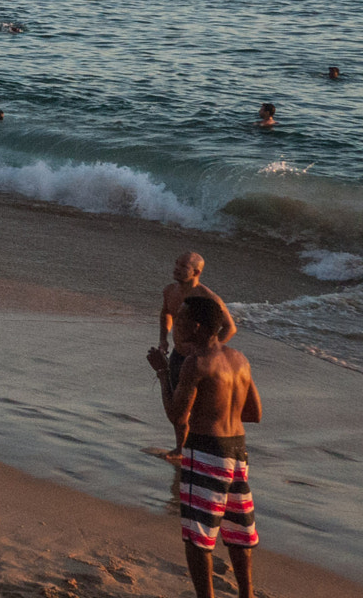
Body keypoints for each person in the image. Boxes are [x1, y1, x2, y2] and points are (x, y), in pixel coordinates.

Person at [150, 294, 260, 598]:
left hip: (207, 451)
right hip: (238, 451)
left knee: (198, 536)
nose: (176, 323)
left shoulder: (195, 364)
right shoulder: (239, 359)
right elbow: (254, 413)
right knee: (238, 530)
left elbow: (176, 415)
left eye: (181, 318)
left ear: (197, 327)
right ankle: (247, 594)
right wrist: (221, 409)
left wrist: (161, 373)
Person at [157, 253, 237, 455]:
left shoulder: (207, 298)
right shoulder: (170, 291)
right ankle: (180, 448)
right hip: (179, 355)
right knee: (178, 405)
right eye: (176, 263)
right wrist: (163, 339)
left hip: (200, 361)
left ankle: (198, 450)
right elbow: (166, 312)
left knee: (198, 409)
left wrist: (209, 350)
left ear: (196, 272)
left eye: (182, 266)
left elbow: (230, 328)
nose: (176, 268)